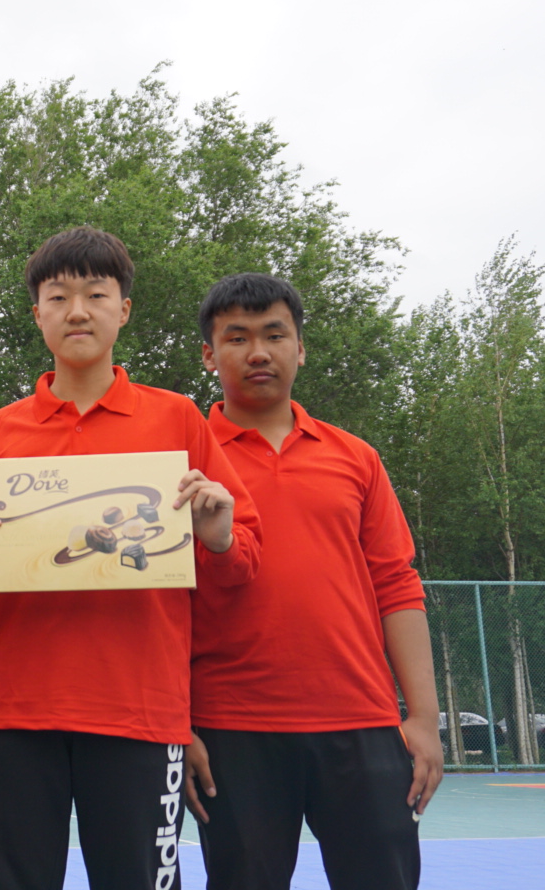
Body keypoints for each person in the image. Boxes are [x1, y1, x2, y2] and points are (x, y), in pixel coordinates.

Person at [0, 226, 261, 890]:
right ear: (37, 314)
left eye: (96, 294)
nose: (78, 311)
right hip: (13, 709)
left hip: (138, 710)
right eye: (58, 297)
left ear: (124, 309)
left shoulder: (177, 421)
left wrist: (218, 536)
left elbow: (244, 561)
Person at [189, 272, 441, 890]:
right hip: (231, 728)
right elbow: (157, 606)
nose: (258, 352)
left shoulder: (356, 458)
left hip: (362, 722)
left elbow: (396, 585)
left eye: (275, 335)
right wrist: (177, 723)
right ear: (209, 355)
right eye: (237, 338)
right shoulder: (184, 464)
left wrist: (424, 719)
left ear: (300, 348)